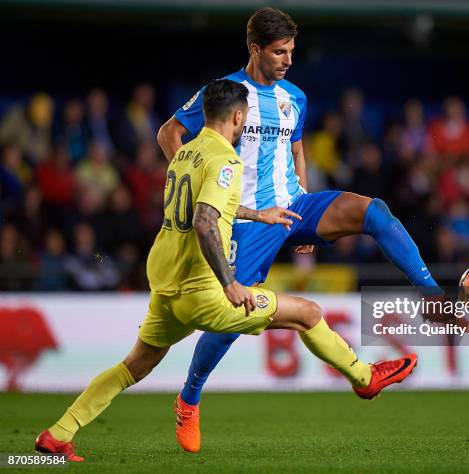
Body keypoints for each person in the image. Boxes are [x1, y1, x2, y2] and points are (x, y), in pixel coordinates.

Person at [35, 79, 418, 462]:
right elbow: (205, 221)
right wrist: (230, 282)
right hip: (204, 292)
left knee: (133, 366)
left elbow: (210, 205)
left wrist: (260, 214)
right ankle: (365, 379)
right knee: (309, 314)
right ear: (238, 116)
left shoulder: (185, 154)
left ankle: (58, 434)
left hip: (167, 285)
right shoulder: (228, 161)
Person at [157, 7, 441, 453]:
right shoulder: (227, 93)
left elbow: (296, 149)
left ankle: (432, 296)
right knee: (236, 315)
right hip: (247, 218)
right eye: (279, 51)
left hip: (292, 206)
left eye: (291, 51)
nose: (288, 59)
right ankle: (189, 399)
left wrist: (304, 209)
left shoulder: (296, 97)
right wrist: (193, 184)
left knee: (375, 211)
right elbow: (168, 133)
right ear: (255, 49)